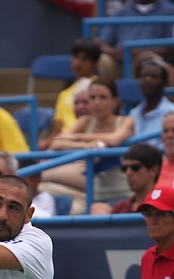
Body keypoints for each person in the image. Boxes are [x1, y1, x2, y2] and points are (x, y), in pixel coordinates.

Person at [47, 77, 135, 205]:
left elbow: (114, 139)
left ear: (115, 101)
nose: (97, 103)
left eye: (103, 97)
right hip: (95, 194)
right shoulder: (85, 121)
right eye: (92, 98)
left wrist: (79, 137)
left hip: (123, 193)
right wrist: (87, 145)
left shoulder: (126, 121)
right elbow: (57, 142)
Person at [97, 0, 174, 84]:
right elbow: (103, 42)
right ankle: (107, 91)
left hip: (151, 61)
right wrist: (114, 52)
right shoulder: (121, 12)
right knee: (103, 60)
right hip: (121, 60)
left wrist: (139, 52)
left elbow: (171, 48)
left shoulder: (172, 11)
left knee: (146, 60)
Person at [38, 38, 101, 150]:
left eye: (84, 59)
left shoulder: (99, 87)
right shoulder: (63, 95)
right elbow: (57, 131)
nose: (78, 63)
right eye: (75, 57)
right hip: (63, 144)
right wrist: (47, 142)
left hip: (87, 142)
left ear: (94, 63)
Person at [90, 142, 163, 215]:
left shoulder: (165, 206)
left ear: (154, 170)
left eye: (135, 168)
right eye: (125, 168)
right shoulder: (120, 208)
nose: (128, 173)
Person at [128, 59, 174, 148]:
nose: (147, 80)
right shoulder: (133, 113)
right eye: (143, 76)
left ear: (164, 83)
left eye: (154, 77)